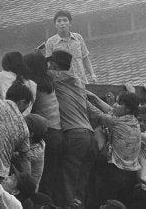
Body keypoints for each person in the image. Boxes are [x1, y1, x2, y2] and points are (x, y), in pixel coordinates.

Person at [47, 50, 96, 208]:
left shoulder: (54, 76)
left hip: (74, 136)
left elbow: (32, 69)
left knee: (68, 182)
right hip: (90, 136)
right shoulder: (79, 82)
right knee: (80, 184)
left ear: (54, 64)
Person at [86, 90, 141, 207]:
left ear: (128, 109)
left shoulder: (115, 122)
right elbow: (111, 110)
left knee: (104, 203)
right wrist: (95, 96)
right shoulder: (133, 120)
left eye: (119, 103)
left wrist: (80, 96)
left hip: (116, 172)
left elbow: (96, 113)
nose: (115, 105)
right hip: (131, 174)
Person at [23, 52, 63, 199]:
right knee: (50, 177)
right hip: (58, 133)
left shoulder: (33, 84)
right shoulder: (48, 82)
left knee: (40, 176)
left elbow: (27, 109)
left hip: (46, 133)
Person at [45, 10, 97, 84]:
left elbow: (85, 58)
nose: (62, 23)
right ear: (55, 25)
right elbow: (49, 66)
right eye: (59, 21)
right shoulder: (50, 42)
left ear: (70, 23)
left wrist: (92, 74)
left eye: (65, 20)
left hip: (82, 82)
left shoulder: (78, 38)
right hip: (64, 86)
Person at [22, 114, 48, 190]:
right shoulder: (37, 141)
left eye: (22, 126)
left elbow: (11, 154)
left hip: (24, 192)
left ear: (31, 134)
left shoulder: (34, 153)